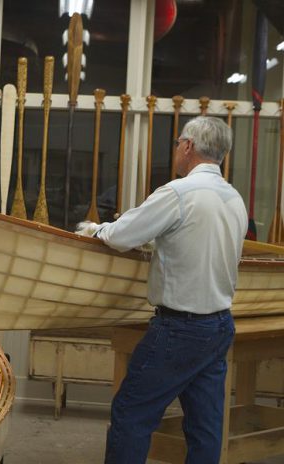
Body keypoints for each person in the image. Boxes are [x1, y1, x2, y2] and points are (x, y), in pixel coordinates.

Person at [76, 116, 247, 464]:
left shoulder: (179, 192)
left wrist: (95, 230)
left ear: (188, 146)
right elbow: (195, 242)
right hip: (219, 326)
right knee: (205, 426)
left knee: (131, 412)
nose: (176, 151)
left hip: (180, 328)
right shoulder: (234, 200)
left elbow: (122, 236)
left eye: (177, 144)